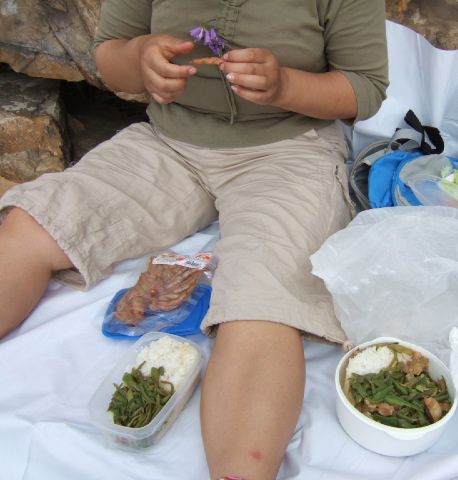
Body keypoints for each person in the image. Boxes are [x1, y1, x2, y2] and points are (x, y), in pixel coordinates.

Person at [0, 1, 388, 479]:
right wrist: (139, 58)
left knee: (262, 297)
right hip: (168, 142)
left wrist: (285, 85)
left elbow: (364, 90)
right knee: (37, 222)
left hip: (289, 152)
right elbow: (110, 56)